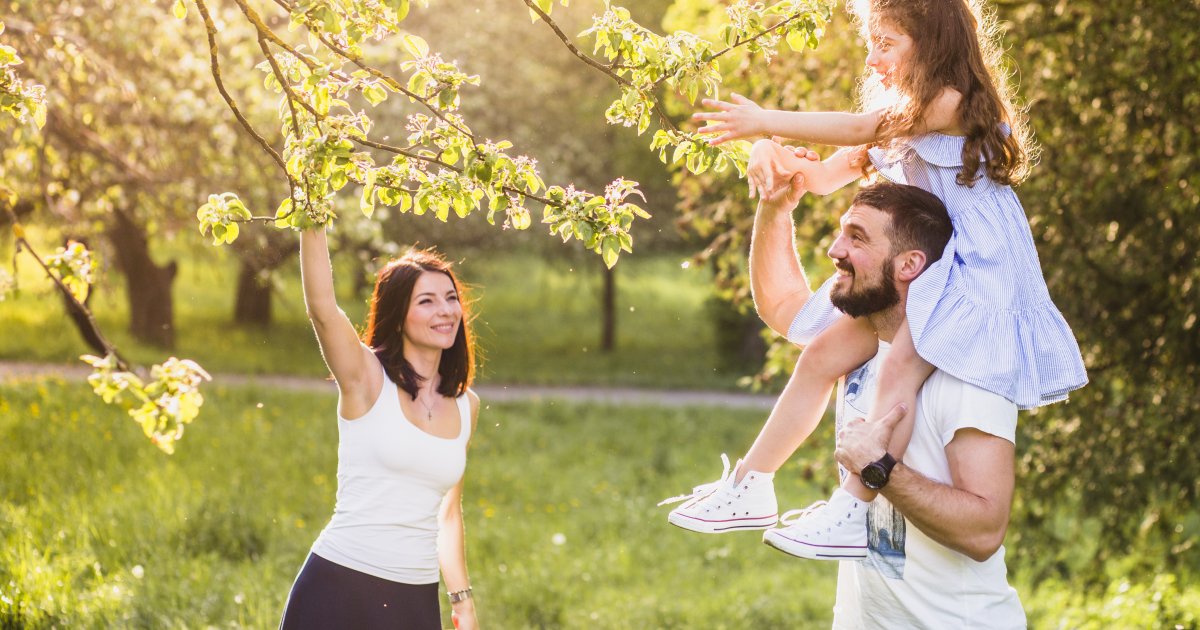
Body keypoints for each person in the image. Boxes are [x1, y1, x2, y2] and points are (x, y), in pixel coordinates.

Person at [662, 0, 1086, 558]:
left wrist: (767, 119)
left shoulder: (945, 103)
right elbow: (819, 178)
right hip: (929, 275)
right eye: (872, 43)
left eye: (886, 43)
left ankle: (854, 508)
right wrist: (774, 157)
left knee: (900, 371)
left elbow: (859, 126)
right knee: (818, 357)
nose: (873, 56)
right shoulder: (902, 124)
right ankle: (752, 484)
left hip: (977, 275)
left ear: (932, 44)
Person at [783, 177, 1026, 626]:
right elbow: (783, 309)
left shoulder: (967, 373)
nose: (835, 250)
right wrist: (775, 205)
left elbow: (985, 529)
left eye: (857, 237)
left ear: (910, 264)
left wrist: (881, 469)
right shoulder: (863, 350)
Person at [279, 226, 480, 629]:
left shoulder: (466, 405)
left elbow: (447, 513)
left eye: (450, 298)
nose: (445, 310)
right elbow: (322, 308)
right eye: (426, 301)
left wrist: (462, 600)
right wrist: (311, 212)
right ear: (398, 314)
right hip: (339, 585)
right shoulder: (367, 378)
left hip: (415, 599)